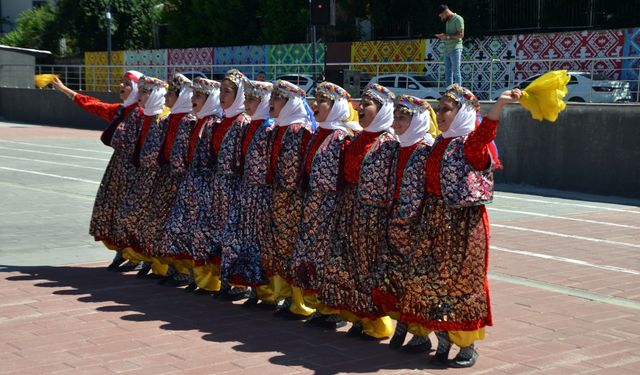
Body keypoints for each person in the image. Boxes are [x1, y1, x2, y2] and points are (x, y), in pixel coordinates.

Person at [380, 84, 520, 368]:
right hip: (432, 221)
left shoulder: (469, 144)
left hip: (462, 225)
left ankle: (466, 344)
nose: (440, 114)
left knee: (460, 284)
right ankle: (429, 336)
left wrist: (499, 107)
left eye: (447, 109)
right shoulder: (439, 143)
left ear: (463, 112)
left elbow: (483, 137)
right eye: (440, 108)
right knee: (425, 279)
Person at [319, 83, 398, 340]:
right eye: (360, 103)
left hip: (375, 215)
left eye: (367, 104)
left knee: (371, 267)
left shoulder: (390, 142)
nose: (360, 108)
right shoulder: (358, 137)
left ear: (383, 109)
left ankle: (377, 323)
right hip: (351, 208)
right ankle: (358, 317)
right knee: (350, 265)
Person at [50, 71, 143, 270]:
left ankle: (136, 254)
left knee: (131, 210)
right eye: (122, 82)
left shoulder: (144, 113)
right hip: (118, 167)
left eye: (127, 83)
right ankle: (122, 250)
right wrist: (65, 90)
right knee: (114, 208)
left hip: (135, 170)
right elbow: (94, 105)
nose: (121, 85)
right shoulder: (121, 110)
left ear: (136, 89)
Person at [371, 94, 438, 353]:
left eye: (403, 118)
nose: (396, 123)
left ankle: (421, 333)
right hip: (395, 219)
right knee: (395, 275)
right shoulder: (398, 147)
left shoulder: (426, 149)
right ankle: (403, 322)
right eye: (396, 117)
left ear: (418, 119)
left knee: (415, 278)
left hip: (416, 225)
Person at [290, 82, 354, 328]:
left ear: (336, 105)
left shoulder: (342, 137)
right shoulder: (320, 132)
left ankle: (333, 309)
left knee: (329, 258)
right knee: (310, 256)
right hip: (314, 204)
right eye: (315, 99)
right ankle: (319, 306)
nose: (315, 105)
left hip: (332, 207)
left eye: (322, 101)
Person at [115, 73, 192, 278]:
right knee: (149, 220)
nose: (166, 99)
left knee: (173, 224)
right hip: (157, 176)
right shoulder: (156, 117)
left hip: (177, 179)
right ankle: (152, 262)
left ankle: (177, 269)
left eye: (170, 95)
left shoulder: (183, 119)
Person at [261, 79, 314, 319]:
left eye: (277, 98)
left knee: (291, 247)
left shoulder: (300, 130)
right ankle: (281, 296)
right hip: (277, 195)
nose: (271, 103)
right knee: (278, 247)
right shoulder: (278, 128)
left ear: (291, 102)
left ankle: (299, 302)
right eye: (271, 98)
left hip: (293, 199)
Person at [220, 79, 275, 307]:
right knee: (243, 241)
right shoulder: (251, 125)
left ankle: (266, 293)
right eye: (248, 97)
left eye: (252, 99)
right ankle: (252, 287)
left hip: (262, 194)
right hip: (247, 191)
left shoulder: (269, 128)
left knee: (261, 243)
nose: (246, 102)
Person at [203, 69, 252, 300]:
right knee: (219, 233)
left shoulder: (243, 122)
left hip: (235, 187)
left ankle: (239, 284)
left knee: (234, 235)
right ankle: (224, 280)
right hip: (219, 186)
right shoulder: (221, 120)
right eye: (221, 91)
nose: (222, 95)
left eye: (228, 91)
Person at [436, 4, 464, 86]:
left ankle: (458, 94)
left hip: (455, 48)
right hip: (447, 49)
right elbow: (450, 35)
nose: (442, 18)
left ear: (445, 12)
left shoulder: (458, 19)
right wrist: (443, 36)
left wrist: (447, 36)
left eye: (442, 16)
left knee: (456, 71)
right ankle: (449, 93)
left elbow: (461, 35)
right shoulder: (448, 21)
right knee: (448, 72)